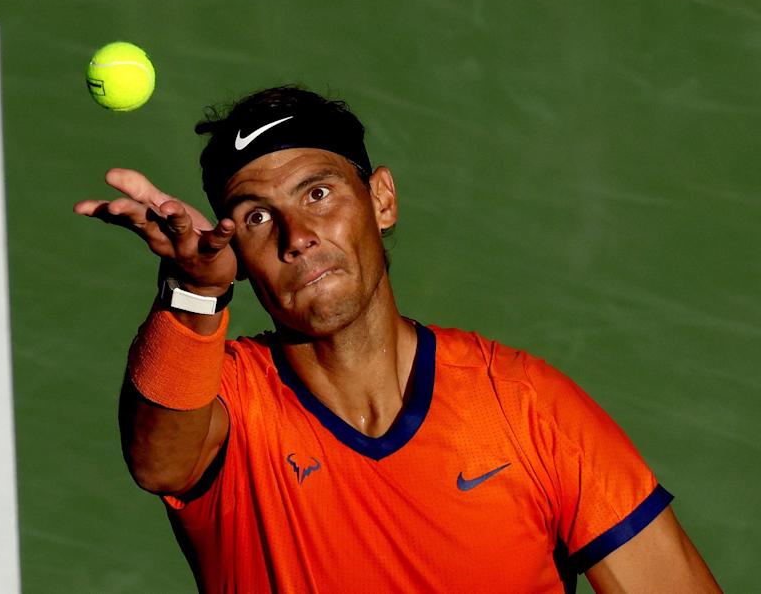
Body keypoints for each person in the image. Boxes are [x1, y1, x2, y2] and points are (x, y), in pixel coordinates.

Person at [74, 86, 720, 592]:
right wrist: (194, 290)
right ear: (237, 253)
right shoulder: (232, 407)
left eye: (319, 193)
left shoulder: (529, 411)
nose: (296, 236)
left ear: (382, 200)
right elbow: (157, 459)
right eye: (258, 217)